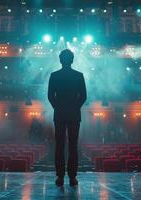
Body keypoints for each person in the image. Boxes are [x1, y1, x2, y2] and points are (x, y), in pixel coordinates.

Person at [48, 49, 87, 187]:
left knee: (59, 146)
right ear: (72, 59)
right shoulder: (79, 75)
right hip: (74, 114)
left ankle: (60, 176)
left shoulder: (54, 75)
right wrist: (75, 107)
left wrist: (58, 108)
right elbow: (83, 96)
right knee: (73, 146)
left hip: (59, 114)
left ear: (60, 60)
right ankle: (72, 177)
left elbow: (50, 96)